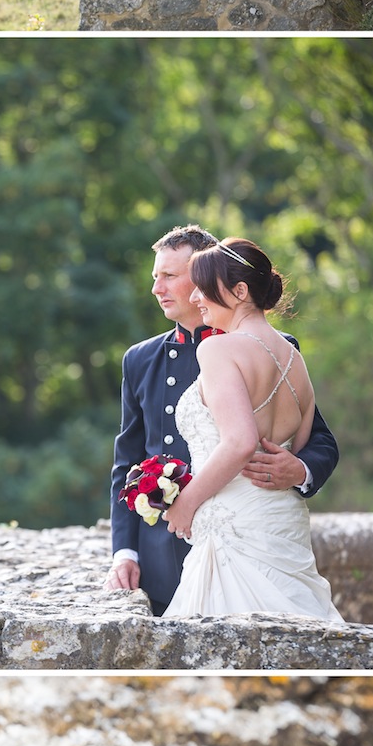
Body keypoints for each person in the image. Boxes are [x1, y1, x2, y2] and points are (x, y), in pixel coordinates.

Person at [107, 225, 339, 615]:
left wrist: (299, 470)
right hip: (164, 552)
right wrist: (124, 552)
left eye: (171, 276)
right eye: (154, 277)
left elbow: (315, 441)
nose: (157, 288)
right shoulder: (140, 359)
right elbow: (127, 461)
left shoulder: (271, 346)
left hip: (244, 531)